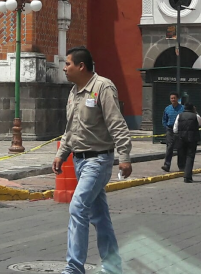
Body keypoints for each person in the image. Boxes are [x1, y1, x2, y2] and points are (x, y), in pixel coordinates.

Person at [53, 46, 133, 275]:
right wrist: (61, 153)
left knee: (78, 207)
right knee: (100, 216)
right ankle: (113, 265)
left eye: (67, 64)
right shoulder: (74, 92)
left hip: (98, 161)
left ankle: (74, 268)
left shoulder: (103, 87)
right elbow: (71, 129)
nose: (64, 68)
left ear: (81, 66)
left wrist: (124, 157)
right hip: (79, 161)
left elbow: (117, 123)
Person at [173, 103, 201, 183]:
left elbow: (175, 129)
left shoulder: (179, 116)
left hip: (181, 139)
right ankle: (187, 176)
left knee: (183, 155)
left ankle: (183, 169)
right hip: (192, 139)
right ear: (193, 108)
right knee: (190, 157)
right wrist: (196, 112)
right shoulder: (195, 116)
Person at [160, 93, 184, 173]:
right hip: (170, 130)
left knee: (180, 148)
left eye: (174, 98)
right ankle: (167, 165)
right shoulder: (167, 108)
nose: (173, 100)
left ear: (178, 99)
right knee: (169, 147)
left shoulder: (182, 108)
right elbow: (164, 119)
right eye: (171, 98)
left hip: (180, 130)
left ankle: (181, 166)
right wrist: (166, 127)